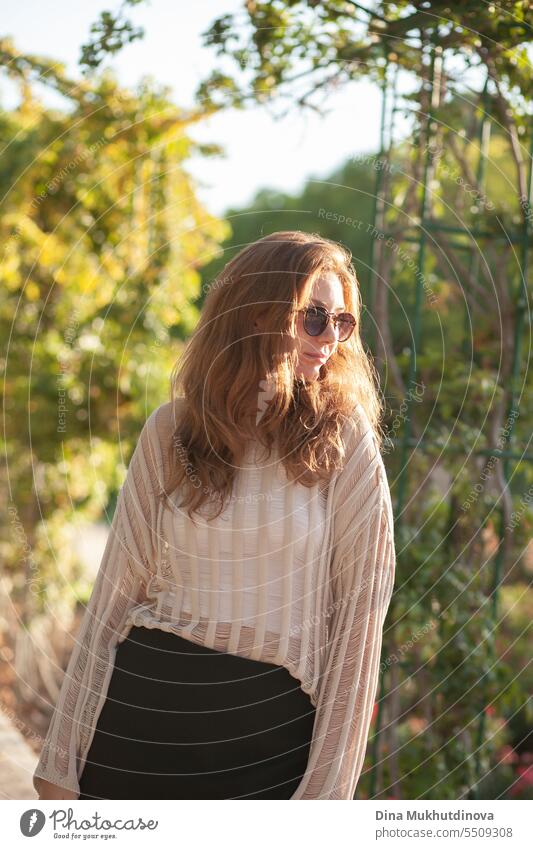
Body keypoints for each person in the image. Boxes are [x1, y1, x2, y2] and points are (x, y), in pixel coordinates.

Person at [34, 230, 396, 800]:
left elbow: (359, 626)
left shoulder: (342, 441)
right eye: (315, 317)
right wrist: (59, 763)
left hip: (267, 745)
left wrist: (324, 803)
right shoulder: (172, 429)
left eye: (343, 323)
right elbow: (114, 599)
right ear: (256, 313)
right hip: (137, 723)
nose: (330, 339)